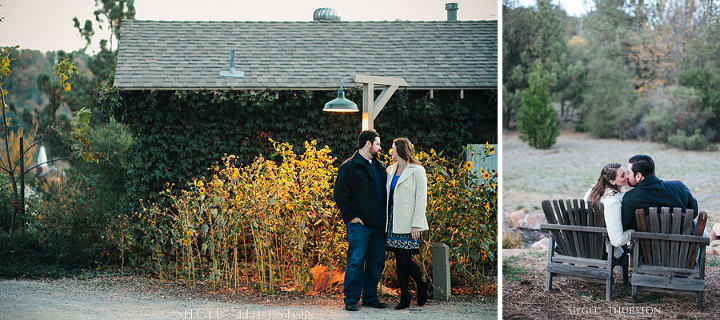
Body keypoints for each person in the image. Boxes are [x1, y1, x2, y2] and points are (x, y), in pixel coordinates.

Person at [333, 130, 388, 311]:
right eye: (378, 144)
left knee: (376, 262)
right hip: (359, 226)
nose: (380, 147)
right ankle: (351, 299)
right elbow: (340, 195)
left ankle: (370, 297)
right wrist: (350, 217)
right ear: (368, 144)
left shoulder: (380, 167)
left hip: (379, 225)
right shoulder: (349, 167)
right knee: (356, 261)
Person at [385, 138, 429, 309]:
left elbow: (421, 197)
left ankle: (421, 284)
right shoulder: (390, 169)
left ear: (400, 149)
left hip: (409, 222)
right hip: (392, 221)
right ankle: (405, 297)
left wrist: (416, 224)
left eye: (393, 148)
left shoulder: (417, 170)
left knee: (405, 260)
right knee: (399, 260)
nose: (391, 150)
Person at [620, 154, 698, 231]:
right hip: (683, 242)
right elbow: (694, 212)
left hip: (648, 243)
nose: (627, 176)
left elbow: (625, 226)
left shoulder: (630, 198)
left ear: (638, 176)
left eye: (629, 173)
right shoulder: (679, 187)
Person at [583, 163, 632, 258]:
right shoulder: (613, 201)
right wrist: (633, 232)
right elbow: (617, 240)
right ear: (612, 181)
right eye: (623, 175)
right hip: (603, 250)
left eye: (626, 172)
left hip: (585, 244)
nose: (627, 176)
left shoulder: (592, 190)